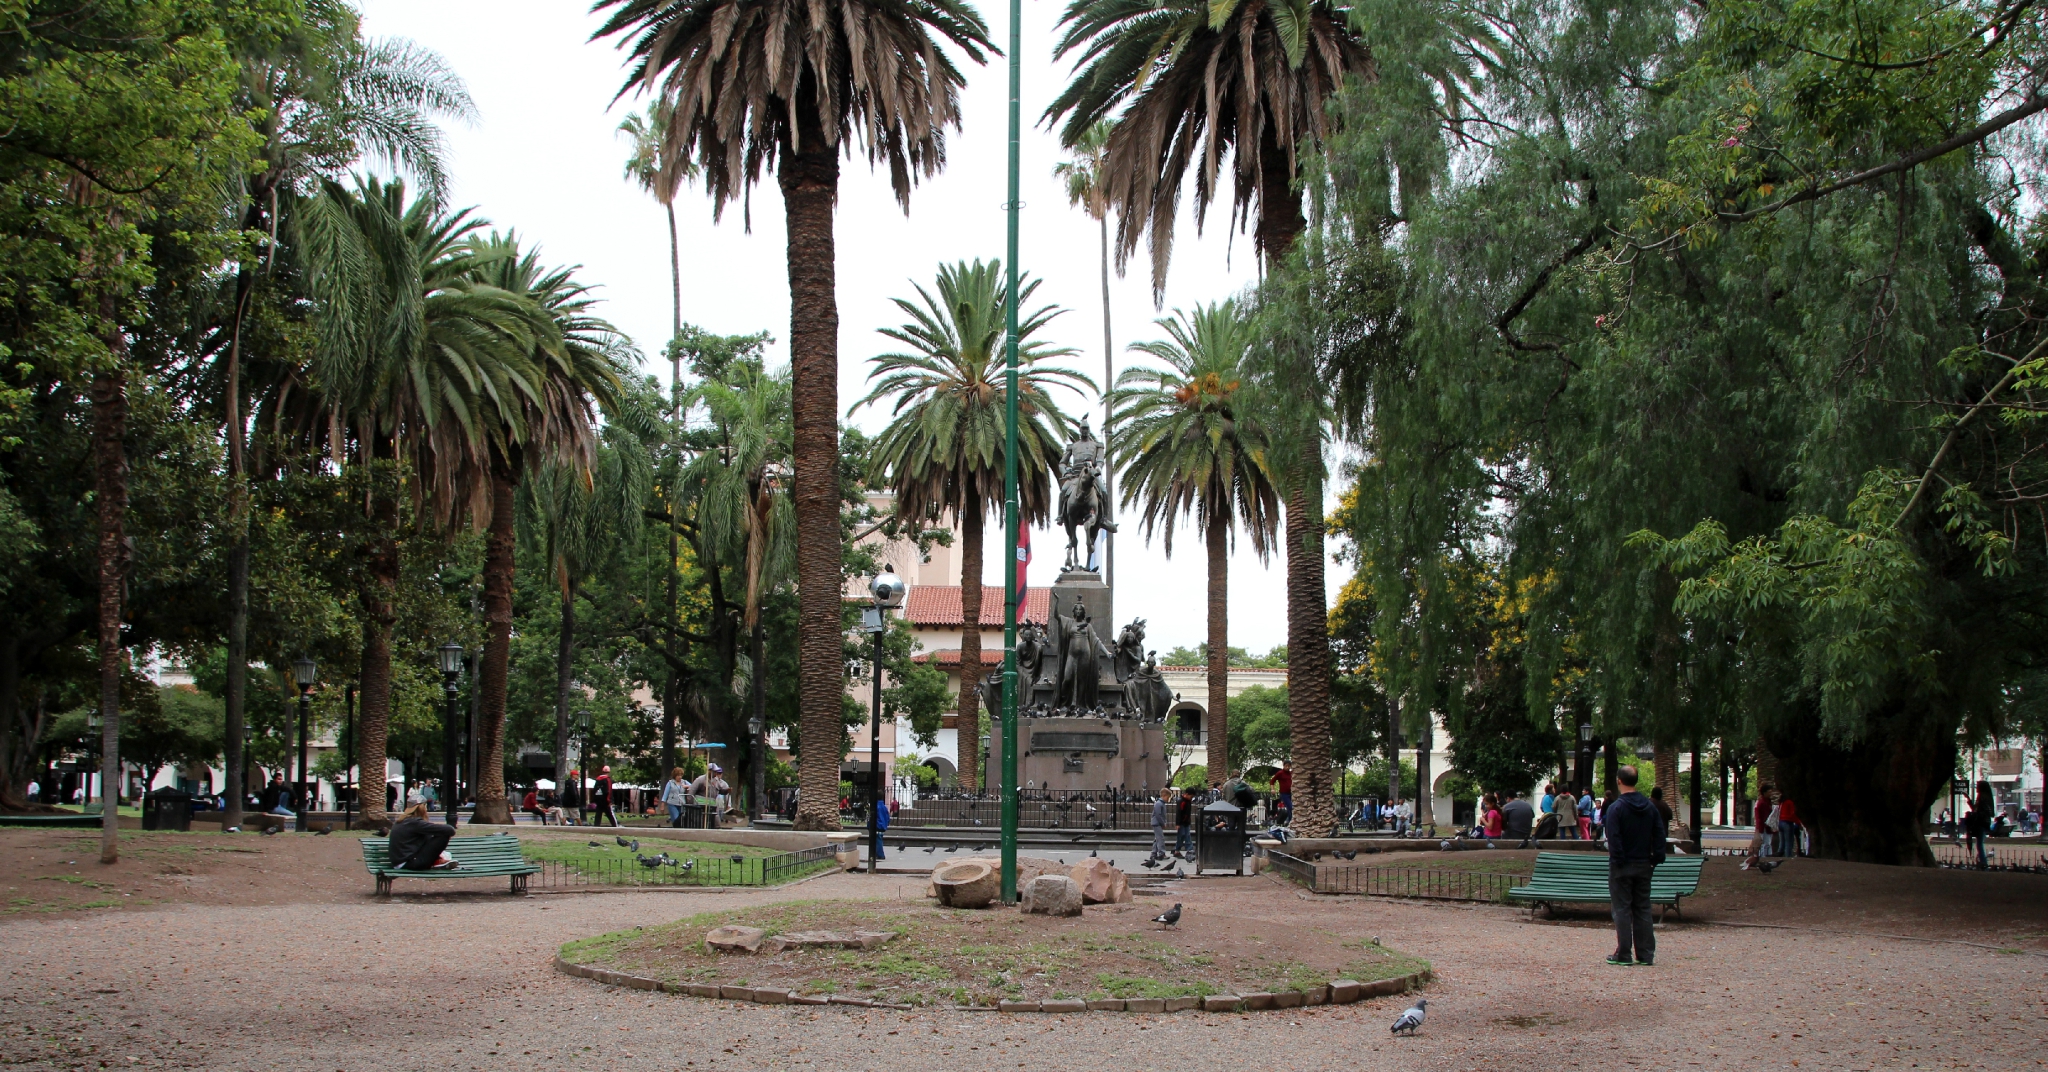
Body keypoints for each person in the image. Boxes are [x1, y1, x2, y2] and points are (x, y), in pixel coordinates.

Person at [1603, 765, 1666, 966]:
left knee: (1621, 909)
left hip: (1622, 865)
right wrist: (1656, 857)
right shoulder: (1650, 807)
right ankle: (1646, 953)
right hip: (1644, 863)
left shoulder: (1616, 808)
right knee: (1642, 908)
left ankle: (1623, 953)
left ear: (1619, 781)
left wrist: (1619, 859)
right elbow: (1659, 833)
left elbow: (1613, 837)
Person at [389, 802, 459, 870]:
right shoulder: (415, 823)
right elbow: (450, 830)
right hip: (410, 863)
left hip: (400, 863)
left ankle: (437, 860)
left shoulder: (401, 822)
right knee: (444, 835)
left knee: (428, 835)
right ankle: (436, 862)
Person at [1175, 787, 1194, 857]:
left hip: (1186, 821)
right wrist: (1178, 823)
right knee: (1182, 835)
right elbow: (1178, 812)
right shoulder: (1181, 801)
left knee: (1186, 835)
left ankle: (1189, 849)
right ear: (1187, 794)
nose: (1191, 798)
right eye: (1191, 796)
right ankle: (1180, 849)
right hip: (1182, 822)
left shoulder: (1187, 801)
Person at [872, 794, 890, 861]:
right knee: (879, 839)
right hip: (883, 826)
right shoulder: (884, 807)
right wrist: (886, 824)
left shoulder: (876, 807)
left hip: (878, 825)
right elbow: (888, 817)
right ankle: (877, 853)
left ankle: (880, 854)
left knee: (878, 840)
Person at [1151, 792, 1168, 858]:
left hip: (1157, 823)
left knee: (1157, 838)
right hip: (1157, 823)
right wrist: (1162, 823)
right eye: (1168, 797)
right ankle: (1161, 853)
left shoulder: (1160, 803)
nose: (1168, 799)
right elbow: (1158, 815)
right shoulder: (1159, 803)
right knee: (1160, 838)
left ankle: (1153, 853)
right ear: (1164, 795)